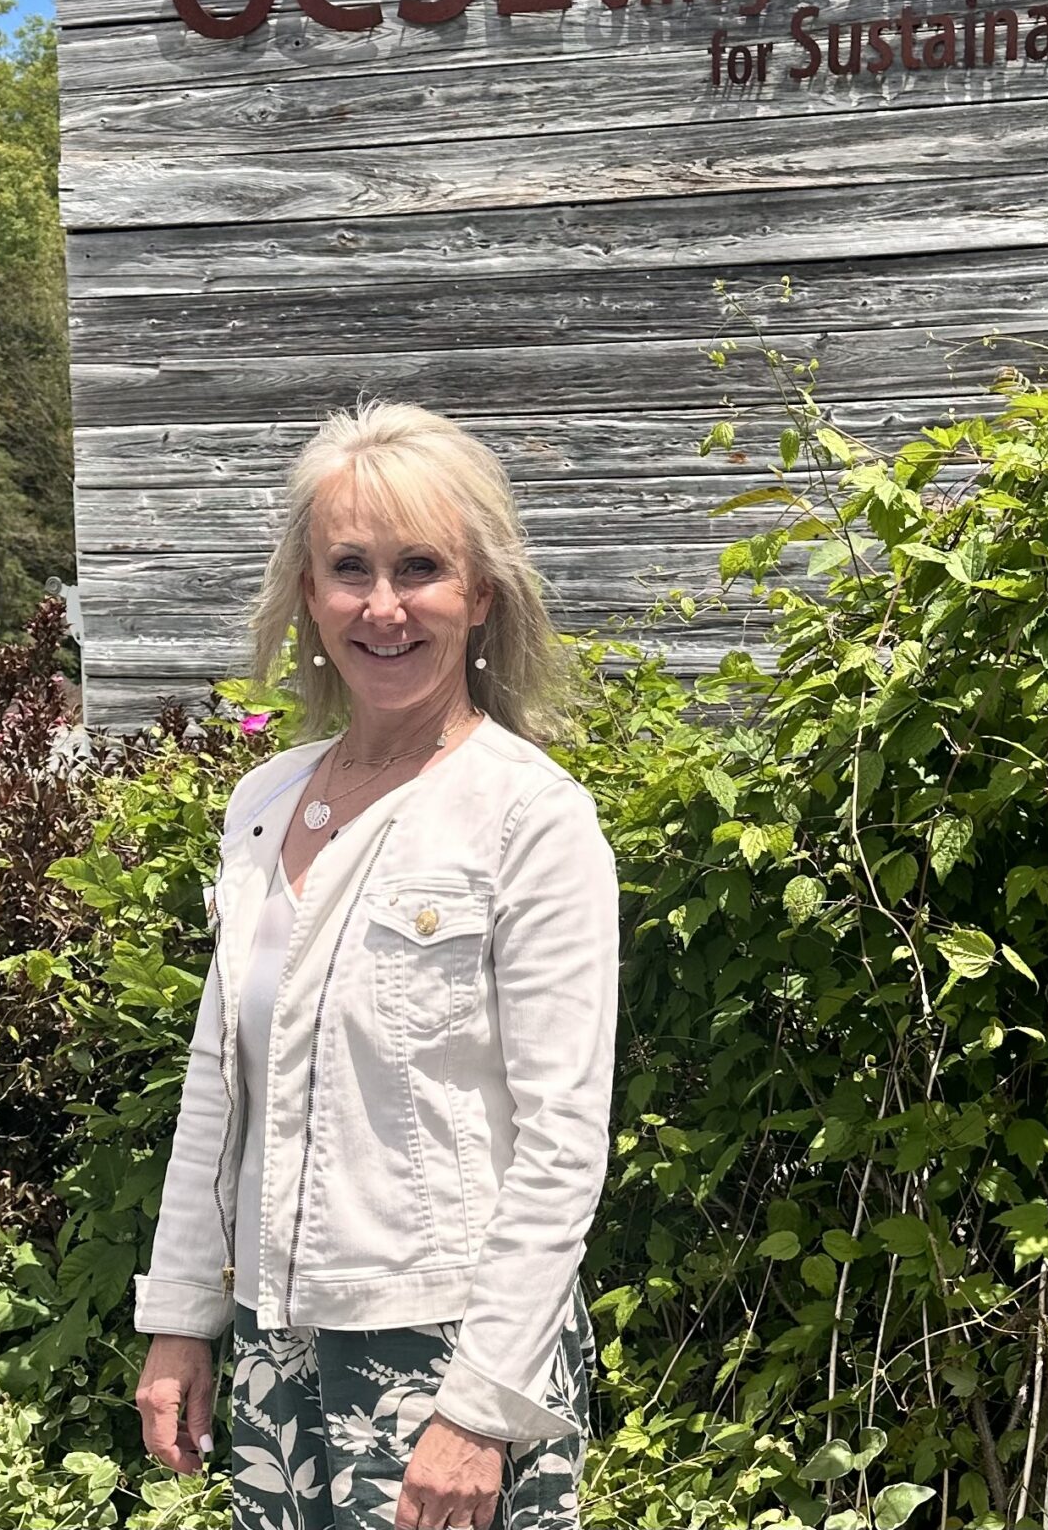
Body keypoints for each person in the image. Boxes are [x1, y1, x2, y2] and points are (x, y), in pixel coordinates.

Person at [131, 401, 619, 1530]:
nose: (383, 605)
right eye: (349, 566)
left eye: (421, 568)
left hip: (451, 1347)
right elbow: (221, 1087)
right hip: (274, 1336)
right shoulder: (262, 803)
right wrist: (183, 1315)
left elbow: (561, 1138)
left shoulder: (529, 817)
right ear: (308, 590)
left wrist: (484, 1403)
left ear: (480, 592)